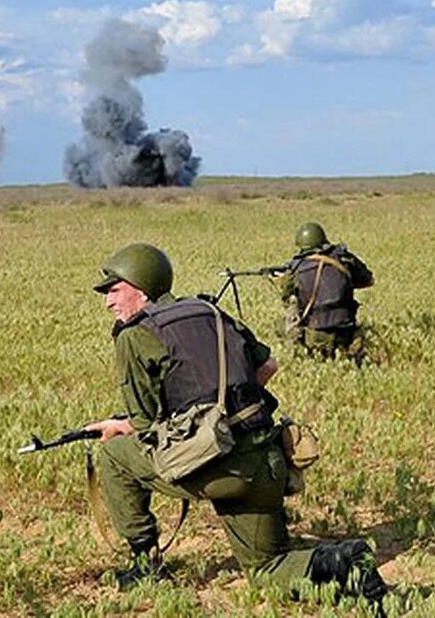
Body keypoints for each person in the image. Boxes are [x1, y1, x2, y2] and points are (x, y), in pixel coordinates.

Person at [86, 242, 387, 608]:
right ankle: (346, 562)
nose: (108, 302)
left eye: (114, 291)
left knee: (117, 456)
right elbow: (269, 366)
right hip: (267, 460)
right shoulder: (209, 311)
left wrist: (119, 427)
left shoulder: (135, 335)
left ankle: (143, 565)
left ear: (141, 288)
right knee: (268, 570)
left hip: (220, 467)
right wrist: (223, 409)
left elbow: (146, 425)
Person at [279, 222, 374, 359]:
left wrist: (281, 281)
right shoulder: (343, 258)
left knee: (281, 326)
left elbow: (287, 299)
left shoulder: (296, 269)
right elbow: (367, 280)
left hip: (316, 334)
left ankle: (299, 356)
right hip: (347, 330)